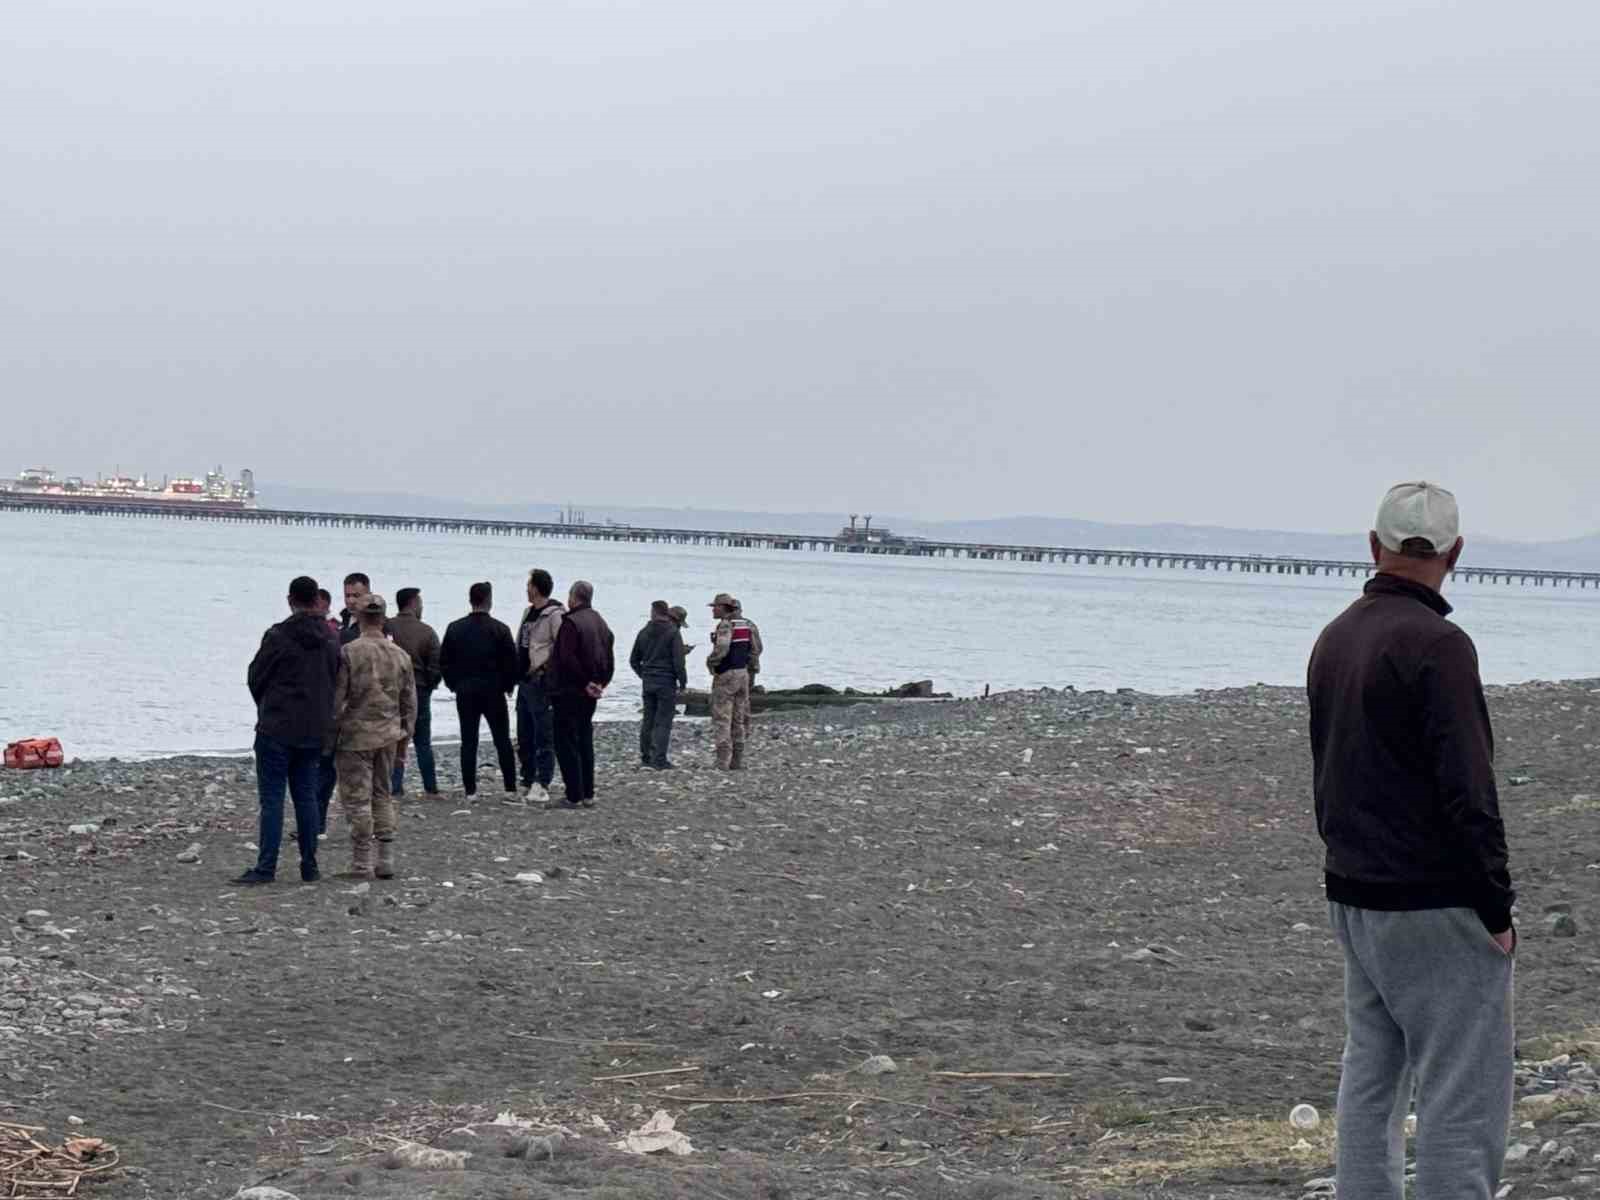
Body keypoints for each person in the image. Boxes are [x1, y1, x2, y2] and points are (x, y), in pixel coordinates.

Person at [1308, 481, 1515, 1198]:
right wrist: (1495, 907)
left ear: (1375, 546)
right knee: (1463, 1090)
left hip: (1356, 892)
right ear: (1455, 553)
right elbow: (1470, 791)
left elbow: (1329, 769)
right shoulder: (1440, 645)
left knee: (1371, 1073)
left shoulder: (1337, 636)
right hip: (1433, 901)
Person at [234, 575, 340, 886]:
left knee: (272, 799)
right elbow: (334, 678)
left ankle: (267, 866)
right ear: (317, 601)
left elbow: (256, 675)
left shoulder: (278, 636)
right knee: (306, 796)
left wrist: (267, 705)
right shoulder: (330, 638)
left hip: (277, 726)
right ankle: (309, 864)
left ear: (290, 600)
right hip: (313, 727)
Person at [331, 593, 417, 880]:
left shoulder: (349, 652)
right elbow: (409, 705)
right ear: (383, 618)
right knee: (383, 794)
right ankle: (386, 858)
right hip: (389, 735)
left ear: (359, 617)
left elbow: (338, 699)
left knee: (357, 799)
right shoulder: (400, 655)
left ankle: (361, 862)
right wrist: (404, 741)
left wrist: (330, 734)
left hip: (355, 736)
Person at [439, 581, 519, 799]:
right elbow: (511, 663)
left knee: (469, 741)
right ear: (489, 601)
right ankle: (510, 788)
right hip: (493, 690)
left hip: (466, 690)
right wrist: (508, 685)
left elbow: (444, 661)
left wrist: (453, 684)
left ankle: (470, 790)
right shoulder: (500, 629)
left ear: (470, 600)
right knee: (502, 740)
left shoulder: (455, 628)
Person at [548, 580, 615, 808]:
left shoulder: (571, 622)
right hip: (591, 691)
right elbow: (609, 655)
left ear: (573, 597)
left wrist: (586, 682)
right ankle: (588, 792)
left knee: (566, 742)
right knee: (584, 739)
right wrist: (601, 683)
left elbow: (566, 658)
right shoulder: (600, 621)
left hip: (570, 690)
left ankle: (573, 794)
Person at [515, 568, 564, 803]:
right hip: (524, 679)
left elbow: (561, 646)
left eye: (528, 585)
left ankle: (542, 779)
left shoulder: (554, 615)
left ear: (535, 588)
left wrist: (545, 668)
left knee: (543, 732)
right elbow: (521, 644)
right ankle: (527, 775)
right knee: (524, 732)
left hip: (541, 680)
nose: (526, 588)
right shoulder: (528, 612)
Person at [388, 587, 443, 798]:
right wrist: (429, 685)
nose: (421, 607)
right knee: (423, 742)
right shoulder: (427, 632)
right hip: (419, 690)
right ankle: (430, 786)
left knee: (395, 739)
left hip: (391, 690)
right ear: (413, 603)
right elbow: (436, 666)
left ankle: (395, 785)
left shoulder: (387, 626)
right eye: (419, 603)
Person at [706, 593, 763, 770]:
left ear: (724, 608)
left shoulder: (726, 624)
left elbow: (722, 647)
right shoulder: (747, 625)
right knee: (739, 718)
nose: (713, 610)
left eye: (715, 607)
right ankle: (737, 760)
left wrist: (711, 662)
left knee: (722, 718)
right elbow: (756, 649)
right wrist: (751, 668)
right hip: (742, 673)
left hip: (727, 673)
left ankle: (722, 761)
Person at [630, 600, 687, 769]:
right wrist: (682, 682)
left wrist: (644, 675)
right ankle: (659, 760)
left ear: (653, 613)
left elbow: (633, 660)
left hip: (648, 681)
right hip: (666, 682)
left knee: (648, 719)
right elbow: (678, 662)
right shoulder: (673, 633)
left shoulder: (643, 632)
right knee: (663, 721)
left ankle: (646, 757)